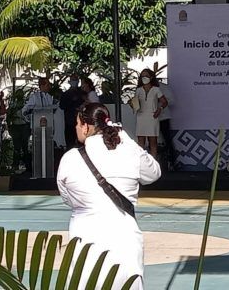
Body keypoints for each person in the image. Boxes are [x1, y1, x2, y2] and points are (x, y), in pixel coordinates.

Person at [57, 103, 161, 289]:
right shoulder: (130, 152)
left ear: (86, 127)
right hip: (124, 237)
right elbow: (154, 173)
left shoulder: (70, 159)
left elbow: (67, 197)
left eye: (78, 123)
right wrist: (128, 141)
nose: (76, 127)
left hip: (85, 237)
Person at [134, 69, 168, 157]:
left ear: (151, 77)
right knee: (140, 142)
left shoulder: (156, 89)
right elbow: (135, 103)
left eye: (146, 76)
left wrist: (159, 109)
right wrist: (132, 104)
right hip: (141, 117)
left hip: (152, 117)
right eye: (142, 76)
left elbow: (164, 102)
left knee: (153, 142)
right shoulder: (138, 90)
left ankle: (154, 165)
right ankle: (141, 164)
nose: (144, 78)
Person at [60, 74, 84, 149]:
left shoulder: (82, 93)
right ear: (69, 82)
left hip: (81, 121)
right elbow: (62, 106)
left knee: (81, 143)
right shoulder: (65, 94)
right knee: (70, 142)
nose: (74, 82)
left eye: (75, 80)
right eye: (73, 80)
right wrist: (72, 102)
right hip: (69, 121)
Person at [158, 80, 175, 171]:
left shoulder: (163, 87)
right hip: (148, 119)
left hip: (163, 117)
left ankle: (172, 162)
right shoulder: (142, 89)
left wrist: (161, 102)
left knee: (167, 139)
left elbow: (172, 101)